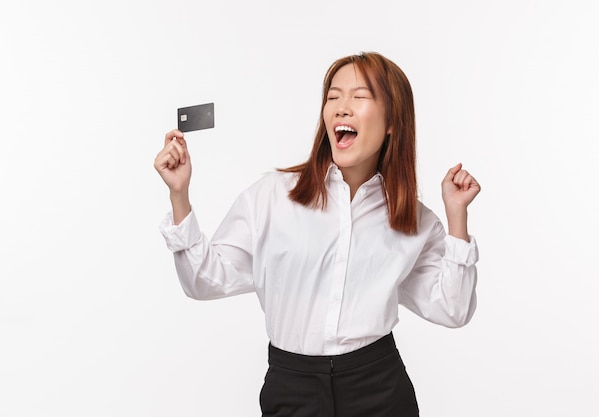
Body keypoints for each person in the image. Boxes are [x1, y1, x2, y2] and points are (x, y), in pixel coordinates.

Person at [154, 51, 481, 417]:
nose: (341, 107)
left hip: (380, 387)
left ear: (391, 120)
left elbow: (453, 310)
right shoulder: (272, 198)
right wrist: (179, 195)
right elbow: (203, 281)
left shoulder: (411, 219)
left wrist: (457, 218)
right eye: (332, 97)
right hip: (292, 388)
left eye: (359, 96)